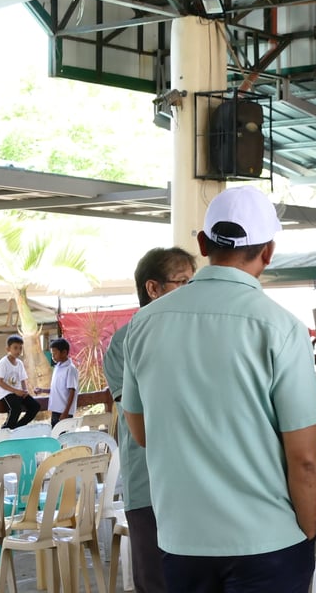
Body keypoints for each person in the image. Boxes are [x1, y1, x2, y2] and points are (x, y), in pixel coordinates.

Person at [121, 186, 316, 593]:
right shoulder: (281, 327)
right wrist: (306, 533)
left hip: (181, 541)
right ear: (268, 251)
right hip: (267, 540)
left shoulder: (143, 326)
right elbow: (305, 459)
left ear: (202, 243)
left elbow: (142, 432)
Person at [104, 246, 196, 593]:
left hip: (198, 482)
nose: (192, 291)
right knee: (156, 580)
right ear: (153, 288)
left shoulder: (198, 332)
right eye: (182, 283)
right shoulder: (124, 342)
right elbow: (139, 415)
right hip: (149, 481)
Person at [0, 334, 41, 429]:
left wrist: (24, 391)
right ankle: (5, 429)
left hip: (18, 393)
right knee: (16, 409)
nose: (18, 351)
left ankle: (18, 427)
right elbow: (0, 382)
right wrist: (15, 391)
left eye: (20, 348)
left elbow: (22, 379)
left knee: (35, 406)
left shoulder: (19, 363)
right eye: (15, 348)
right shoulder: (3, 363)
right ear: (8, 349)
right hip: (6, 394)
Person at [48, 337, 78, 426]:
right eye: (52, 353)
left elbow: (72, 391)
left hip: (64, 411)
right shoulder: (57, 367)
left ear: (64, 352)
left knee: (64, 437)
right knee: (55, 436)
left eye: (55, 353)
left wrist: (66, 412)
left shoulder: (70, 369)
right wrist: (42, 390)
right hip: (55, 409)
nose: (53, 356)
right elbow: (57, 388)